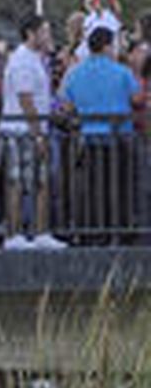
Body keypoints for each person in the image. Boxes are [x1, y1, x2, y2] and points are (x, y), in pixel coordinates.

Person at [59, 23, 136, 241]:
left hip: (89, 138)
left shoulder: (76, 73)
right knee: (119, 186)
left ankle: (93, 231)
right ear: (106, 46)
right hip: (119, 136)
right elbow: (136, 97)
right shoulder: (121, 72)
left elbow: (66, 103)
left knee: (93, 187)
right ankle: (119, 230)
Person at [0, 14, 55, 248]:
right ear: (31, 34)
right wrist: (38, 133)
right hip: (20, 130)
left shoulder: (36, 59)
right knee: (16, 183)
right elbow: (25, 99)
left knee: (41, 181)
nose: (48, 36)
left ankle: (41, 233)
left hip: (34, 128)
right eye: (44, 31)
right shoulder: (22, 60)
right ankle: (14, 234)